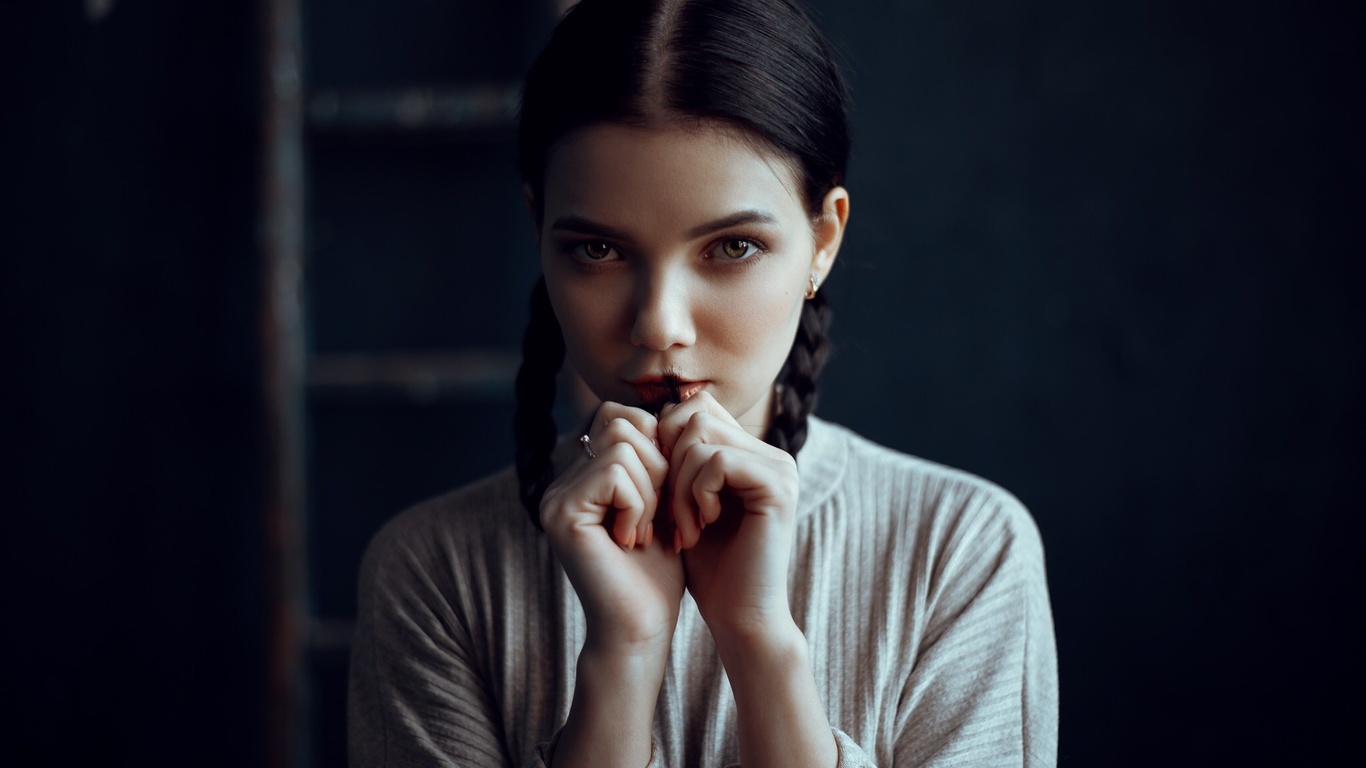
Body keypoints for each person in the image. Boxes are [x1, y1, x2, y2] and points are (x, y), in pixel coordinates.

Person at [347, 0, 1058, 765]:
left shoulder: (959, 552)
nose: (659, 324)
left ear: (822, 240)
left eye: (733, 247)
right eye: (597, 250)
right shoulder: (434, 572)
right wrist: (620, 660)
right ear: (538, 232)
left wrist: (761, 645)